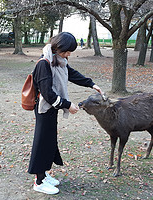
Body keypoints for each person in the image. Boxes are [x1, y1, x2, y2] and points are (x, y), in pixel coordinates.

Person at [28, 32, 103, 195]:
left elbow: (72, 74)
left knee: (49, 141)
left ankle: (44, 174)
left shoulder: (59, 61)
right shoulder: (44, 63)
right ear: (58, 47)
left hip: (51, 109)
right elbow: (48, 94)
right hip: (43, 109)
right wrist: (68, 105)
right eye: (67, 51)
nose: (69, 55)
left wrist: (91, 84)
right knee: (41, 143)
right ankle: (38, 181)